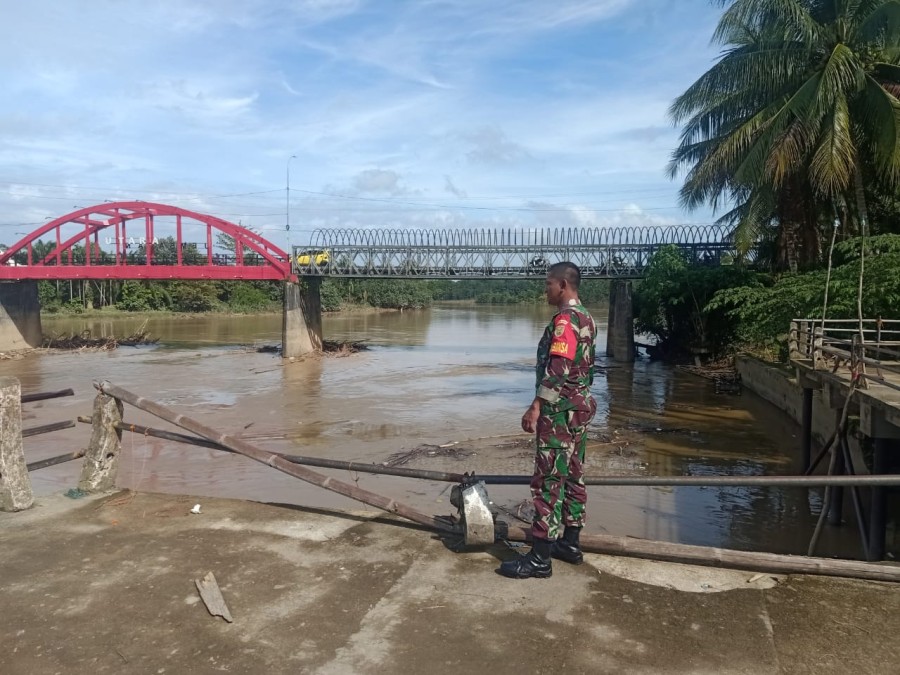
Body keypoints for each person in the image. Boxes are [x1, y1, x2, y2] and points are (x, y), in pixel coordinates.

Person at [498, 262, 597, 579]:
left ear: (564, 286)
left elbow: (559, 369)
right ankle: (569, 543)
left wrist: (536, 406)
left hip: (559, 412)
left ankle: (540, 559)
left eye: (548, 284)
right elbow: (586, 371)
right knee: (573, 477)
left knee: (548, 482)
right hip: (580, 409)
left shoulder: (565, 321)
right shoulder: (587, 318)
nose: (545, 290)